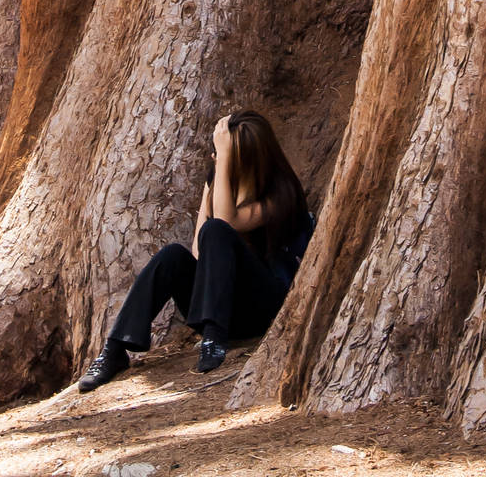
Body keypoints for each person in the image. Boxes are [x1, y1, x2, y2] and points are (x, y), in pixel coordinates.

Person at [78, 109, 314, 387]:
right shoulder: (219, 181)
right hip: (223, 308)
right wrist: (211, 184)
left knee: (217, 229)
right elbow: (199, 253)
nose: (225, 160)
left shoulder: (281, 193)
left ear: (254, 158)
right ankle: (115, 349)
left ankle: (214, 338)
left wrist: (223, 164)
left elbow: (226, 223)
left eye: (231, 155)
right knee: (172, 256)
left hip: (266, 308)